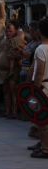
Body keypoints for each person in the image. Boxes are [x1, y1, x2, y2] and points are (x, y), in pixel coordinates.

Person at [0, 23, 21, 119]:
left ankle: (15, 111)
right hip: (3, 70)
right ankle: (8, 111)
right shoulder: (3, 40)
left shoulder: (17, 40)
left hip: (13, 69)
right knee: (6, 91)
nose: (8, 33)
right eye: (7, 31)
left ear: (14, 32)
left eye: (10, 31)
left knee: (13, 90)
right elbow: (0, 53)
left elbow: (22, 54)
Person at [29, 18, 48, 158]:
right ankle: (43, 145)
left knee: (43, 121)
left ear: (39, 32)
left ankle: (46, 148)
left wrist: (35, 90)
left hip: (44, 86)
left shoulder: (41, 48)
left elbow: (39, 71)